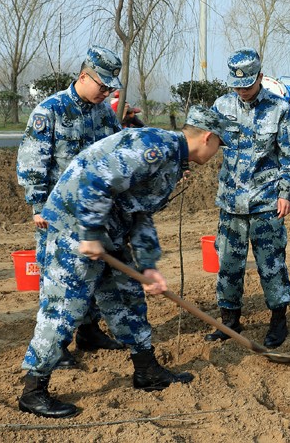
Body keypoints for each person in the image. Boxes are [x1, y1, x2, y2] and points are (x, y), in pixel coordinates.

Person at [18, 106, 227, 418]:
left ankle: (147, 371)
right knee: (65, 309)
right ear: (207, 138)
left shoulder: (172, 160)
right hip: (76, 226)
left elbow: (140, 211)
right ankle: (33, 391)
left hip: (108, 230)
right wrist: (89, 233)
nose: (216, 153)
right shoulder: (152, 147)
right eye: (219, 146)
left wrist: (149, 264)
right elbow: (96, 182)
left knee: (128, 299)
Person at [17, 45, 125, 369]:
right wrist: (37, 205)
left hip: (92, 216)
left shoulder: (104, 113)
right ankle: (56, 347)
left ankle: (89, 332)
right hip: (57, 217)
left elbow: (117, 150)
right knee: (58, 286)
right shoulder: (49, 111)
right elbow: (32, 161)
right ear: (83, 76)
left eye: (109, 88)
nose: (105, 93)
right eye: (102, 86)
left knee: (91, 277)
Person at [206, 48, 290, 349]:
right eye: (237, 85)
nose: (242, 91)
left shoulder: (279, 108)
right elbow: (204, 141)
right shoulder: (221, 106)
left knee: (271, 264)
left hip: (266, 203)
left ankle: (278, 320)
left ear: (260, 77)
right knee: (228, 264)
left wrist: (287, 192)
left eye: (247, 84)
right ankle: (229, 320)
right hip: (231, 203)